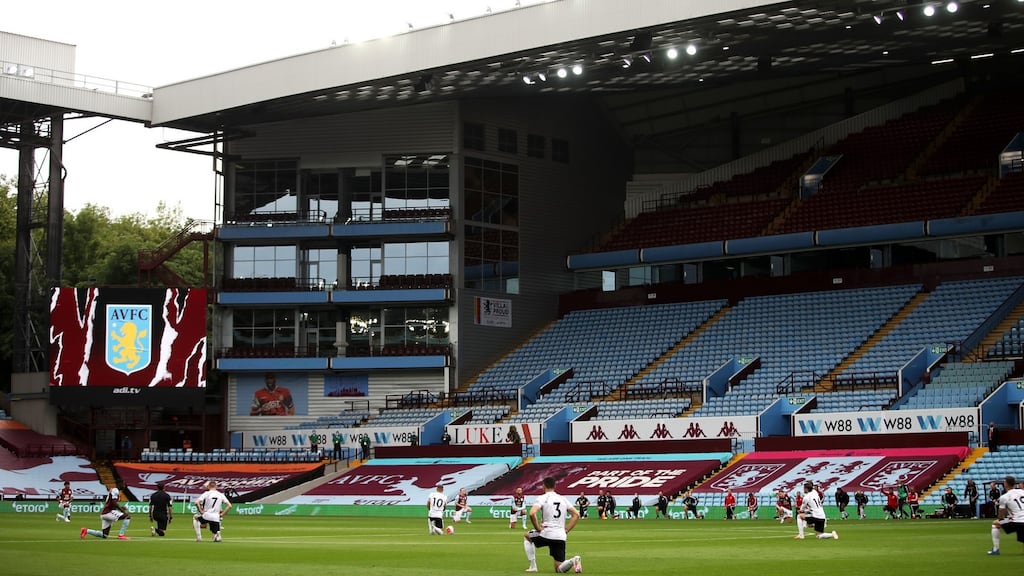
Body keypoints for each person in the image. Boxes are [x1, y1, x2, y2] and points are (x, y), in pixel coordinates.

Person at [522, 476, 582, 573]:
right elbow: (576, 514)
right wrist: (566, 530)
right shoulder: (563, 499)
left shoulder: (542, 498)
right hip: (560, 536)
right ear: (555, 486)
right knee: (559, 569)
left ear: (543, 486)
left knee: (527, 536)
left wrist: (537, 528)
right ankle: (573, 560)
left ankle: (533, 566)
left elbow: (532, 513)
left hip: (547, 533)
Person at [987, 475, 1024, 555]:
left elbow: (1001, 514)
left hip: (1017, 521)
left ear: (1005, 484)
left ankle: (996, 549)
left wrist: (1004, 519)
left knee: (995, 524)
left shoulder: (1004, 497)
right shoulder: (1022, 492)